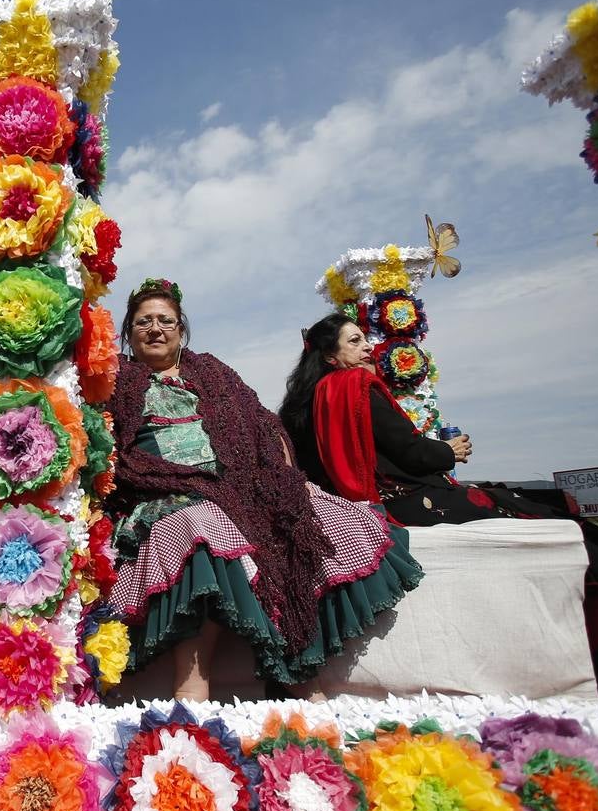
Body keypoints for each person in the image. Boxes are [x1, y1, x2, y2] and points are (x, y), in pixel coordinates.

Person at [279, 312, 598, 700]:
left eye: (365, 338)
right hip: (408, 503)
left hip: (356, 508)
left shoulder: (302, 405)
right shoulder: (357, 388)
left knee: (520, 499)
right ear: (331, 356)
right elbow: (411, 452)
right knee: (537, 508)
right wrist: (449, 451)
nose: (368, 347)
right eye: (356, 341)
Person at [103, 279, 422, 701]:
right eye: (145, 322)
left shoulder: (212, 371)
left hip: (238, 481)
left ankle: (301, 676)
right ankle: (191, 689)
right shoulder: (113, 380)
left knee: (305, 514)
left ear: (181, 330)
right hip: (164, 489)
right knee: (202, 524)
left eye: (166, 320)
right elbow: (109, 450)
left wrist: (281, 473)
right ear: (128, 333)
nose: (156, 329)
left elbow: (261, 423)